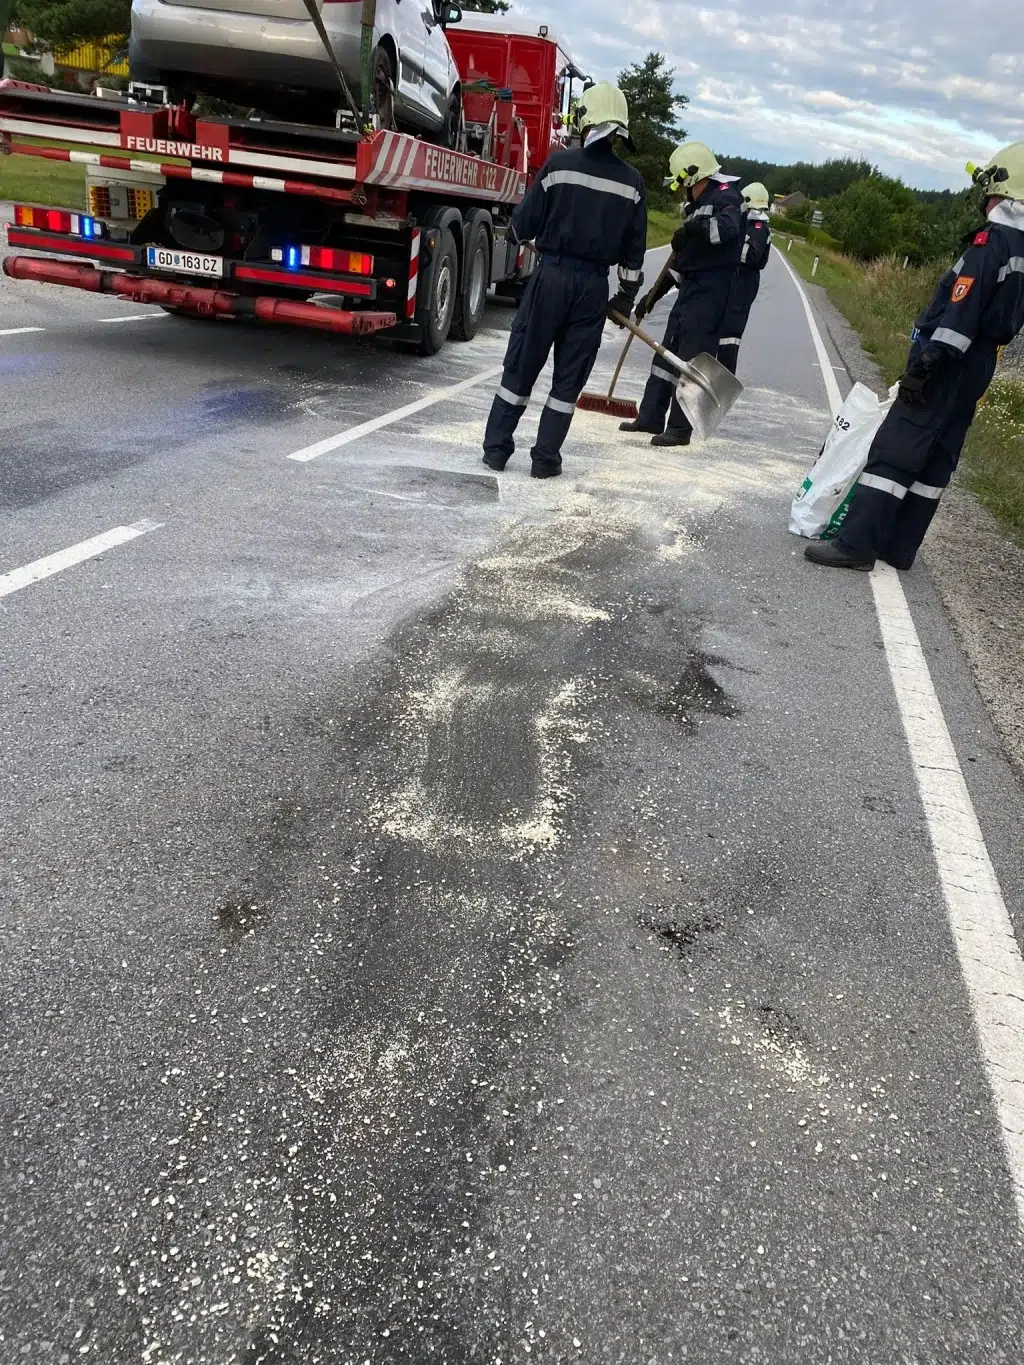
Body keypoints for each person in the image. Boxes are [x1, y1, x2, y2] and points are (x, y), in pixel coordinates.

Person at [806, 142, 1024, 572]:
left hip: (947, 362)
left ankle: (856, 544)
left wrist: (928, 362)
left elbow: (961, 310)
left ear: (1000, 189)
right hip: (978, 365)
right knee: (938, 455)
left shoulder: (990, 243)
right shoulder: (1020, 248)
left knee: (897, 446)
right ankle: (898, 547)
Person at [481, 82, 647, 479]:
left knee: (522, 364)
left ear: (586, 120)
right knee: (569, 378)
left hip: (551, 277)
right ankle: (545, 460)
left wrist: (516, 233)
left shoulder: (559, 166)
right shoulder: (633, 183)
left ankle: (497, 451)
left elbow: (523, 224)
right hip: (593, 288)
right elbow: (634, 251)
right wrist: (625, 296)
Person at [619, 141, 743, 447]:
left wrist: (693, 229)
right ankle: (650, 416)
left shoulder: (726, 195)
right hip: (690, 287)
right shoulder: (695, 207)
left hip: (712, 290)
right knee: (667, 354)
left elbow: (727, 229)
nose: (682, 192)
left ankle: (679, 429)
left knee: (691, 359)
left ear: (693, 176)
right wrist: (652, 296)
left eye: (683, 185)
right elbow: (680, 264)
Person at [716, 182, 772, 375]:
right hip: (735, 281)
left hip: (744, 284)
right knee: (719, 331)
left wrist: (734, 240)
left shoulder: (758, 227)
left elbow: (750, 256)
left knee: (729, 337)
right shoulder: (749, 224)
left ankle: (724, 381)